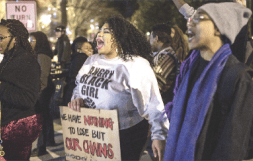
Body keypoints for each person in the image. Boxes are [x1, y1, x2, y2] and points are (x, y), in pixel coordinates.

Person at [68, 15, 168, 161]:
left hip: (125, 136)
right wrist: (76, 99)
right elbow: (78, 86)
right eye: (99, 31)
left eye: (106, 31)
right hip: (92, 131)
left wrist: (159, 136)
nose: (99, 35)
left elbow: (153, 104)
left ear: (119, 37)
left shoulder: (135, 65)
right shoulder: (91, 60)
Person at [164, 2, 253, 160]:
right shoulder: (189, 69)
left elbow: (231, 148)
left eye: (199, 18)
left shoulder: (237, 78)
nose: (190, 22)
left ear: (219, 28)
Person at [0, 19, 42, 160]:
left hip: (18, 127)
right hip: (6, 125)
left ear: (15, 39)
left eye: (0, 37)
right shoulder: (9, 57)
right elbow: (8, 84)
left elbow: (28, 99)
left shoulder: (26, 61)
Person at [29, 31, 56, 156]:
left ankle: (41, 147)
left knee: (41, 118)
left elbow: (43, 77)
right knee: (45, 116)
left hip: (43, 90)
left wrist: (36, 94)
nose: (30, 43)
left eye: (32, 40)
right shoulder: (37, 54)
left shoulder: (42, 55)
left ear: (39, 41)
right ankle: (48, 141)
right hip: (42, 88)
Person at [150, 23, 179, 105]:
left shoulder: (167, 56)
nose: (150, 42)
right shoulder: (162, 54)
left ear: (156, 38)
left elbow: (156, 85)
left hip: (163, 107)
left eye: (150, 38)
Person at [64, 37, 93, 105]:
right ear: (78, 50)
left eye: (91, 48)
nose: (90, 51)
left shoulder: (75, 58)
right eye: (87, 48)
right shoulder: (82, 58)